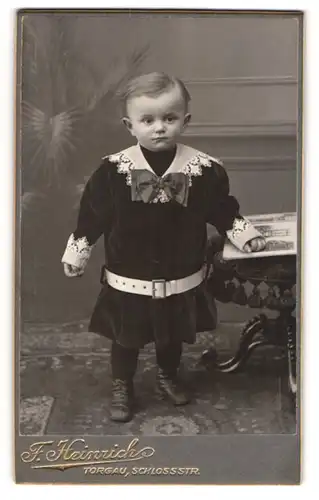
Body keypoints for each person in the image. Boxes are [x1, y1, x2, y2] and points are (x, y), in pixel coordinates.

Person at [61, 72, 266, 423]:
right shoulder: (112, 172)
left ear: (185, 121)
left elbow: (222, 209)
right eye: (148, 120)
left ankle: (166, 375)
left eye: (169, 119)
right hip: (130, 276)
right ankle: (122, 384)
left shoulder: (203, 170)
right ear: (130, 125)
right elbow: (92, 216)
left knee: (169, 337)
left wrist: (243, 233)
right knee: (126, 338)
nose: (159, 128)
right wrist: (79, 250)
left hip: (180, 274)